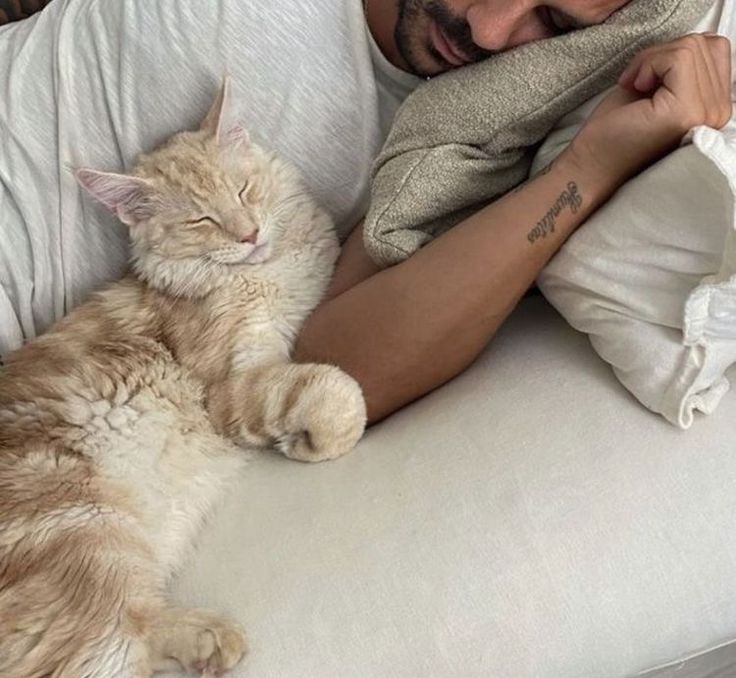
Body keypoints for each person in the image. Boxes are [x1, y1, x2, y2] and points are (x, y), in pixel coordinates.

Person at [0, 0, 731, 424]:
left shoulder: (457, 139)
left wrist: (589, 167)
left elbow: (335, 368)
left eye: (552, 20)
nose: (489, 27)